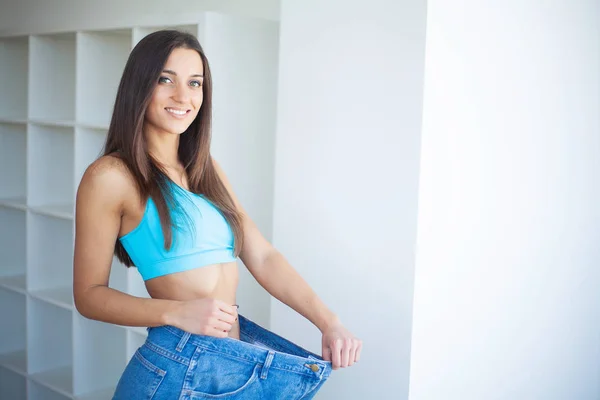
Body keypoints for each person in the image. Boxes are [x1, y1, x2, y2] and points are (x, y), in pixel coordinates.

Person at [73, 30, 362, 399]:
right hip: (176, 370)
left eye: (195, 83)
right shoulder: (111, 177)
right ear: (139, 86)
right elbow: (88, 295)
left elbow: (262, 254)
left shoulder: (204, 168)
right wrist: (174, 312)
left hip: (234, 366)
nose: (184, 96)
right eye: (166, 80)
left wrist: (329, 322)